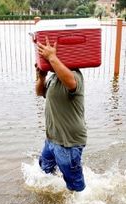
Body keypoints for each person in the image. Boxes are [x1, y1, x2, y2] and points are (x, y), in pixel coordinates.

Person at [35, 37, 86, 192]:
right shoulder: (54, 77)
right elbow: (40, 92)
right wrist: (41, 77)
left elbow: (71, 83)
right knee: (45, 169)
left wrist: (51, 57)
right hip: (52, 139)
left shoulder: (74, 75)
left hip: (68, 142)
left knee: (74, 184)